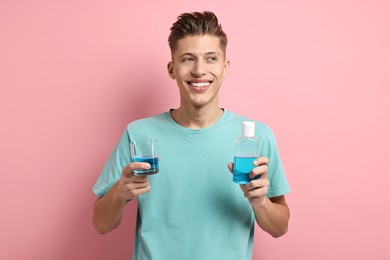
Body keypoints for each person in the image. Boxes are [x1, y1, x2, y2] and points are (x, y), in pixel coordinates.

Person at [92, 11, 290, 260]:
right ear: (172, 69)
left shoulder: (256, 136)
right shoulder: (139, 134)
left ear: (225, 67)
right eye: (187, 59)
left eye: (211, 58)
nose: (199, 70)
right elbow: (101, 224)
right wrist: (119, 192)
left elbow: (279, 228)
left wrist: (260, 202)